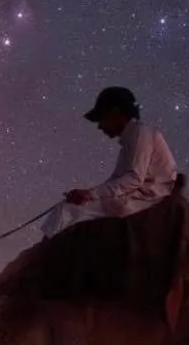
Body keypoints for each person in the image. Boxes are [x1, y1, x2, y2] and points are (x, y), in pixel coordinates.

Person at [40, 86, 178, 238]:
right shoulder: (132, 138)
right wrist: (87, 194)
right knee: (70, 208)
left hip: (145, 198)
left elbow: (133, 179)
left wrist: (90, 194)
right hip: (138, 194)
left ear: (115, 113)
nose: (100, 126)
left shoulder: (140, 133)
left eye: (101, 118)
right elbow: (118, 181)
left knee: (66, 211)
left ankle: (40, 255)